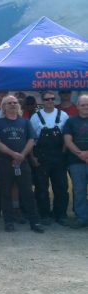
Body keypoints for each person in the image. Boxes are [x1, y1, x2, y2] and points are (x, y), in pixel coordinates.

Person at [0, 95, 44, 233]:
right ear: (4, 106)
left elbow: (31, 140)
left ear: (19, 106)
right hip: (5, 162)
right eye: (9, 103)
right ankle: (8, 222)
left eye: (15, 102)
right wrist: (13, 154)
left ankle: (35, 222)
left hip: (23, 162)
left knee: (27, 192)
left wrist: (21, 155)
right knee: (5, 192)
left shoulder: (25, 122)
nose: (13, 105)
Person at [30, 91, 70, 226]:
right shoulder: (35, 117)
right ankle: (44, 214)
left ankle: (61, 214)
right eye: (47, 99)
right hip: (42, 157)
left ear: (55, 100)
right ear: (42, 101)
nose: (50, 101)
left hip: (59, 157)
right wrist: (33, 157)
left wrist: (64, 153)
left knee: (61, 187)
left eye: (52, 99)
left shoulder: (63, 115)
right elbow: (31, 139)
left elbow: (67, 136)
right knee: (41, 187)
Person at [63, 94, 88, 228]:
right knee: (79, 191)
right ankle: (82, 218)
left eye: (87, 104)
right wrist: (81, 154)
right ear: (77, 106)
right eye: (82, 105)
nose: (85, 107)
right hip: (76, 162)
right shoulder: (70, 121)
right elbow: (67, 141)